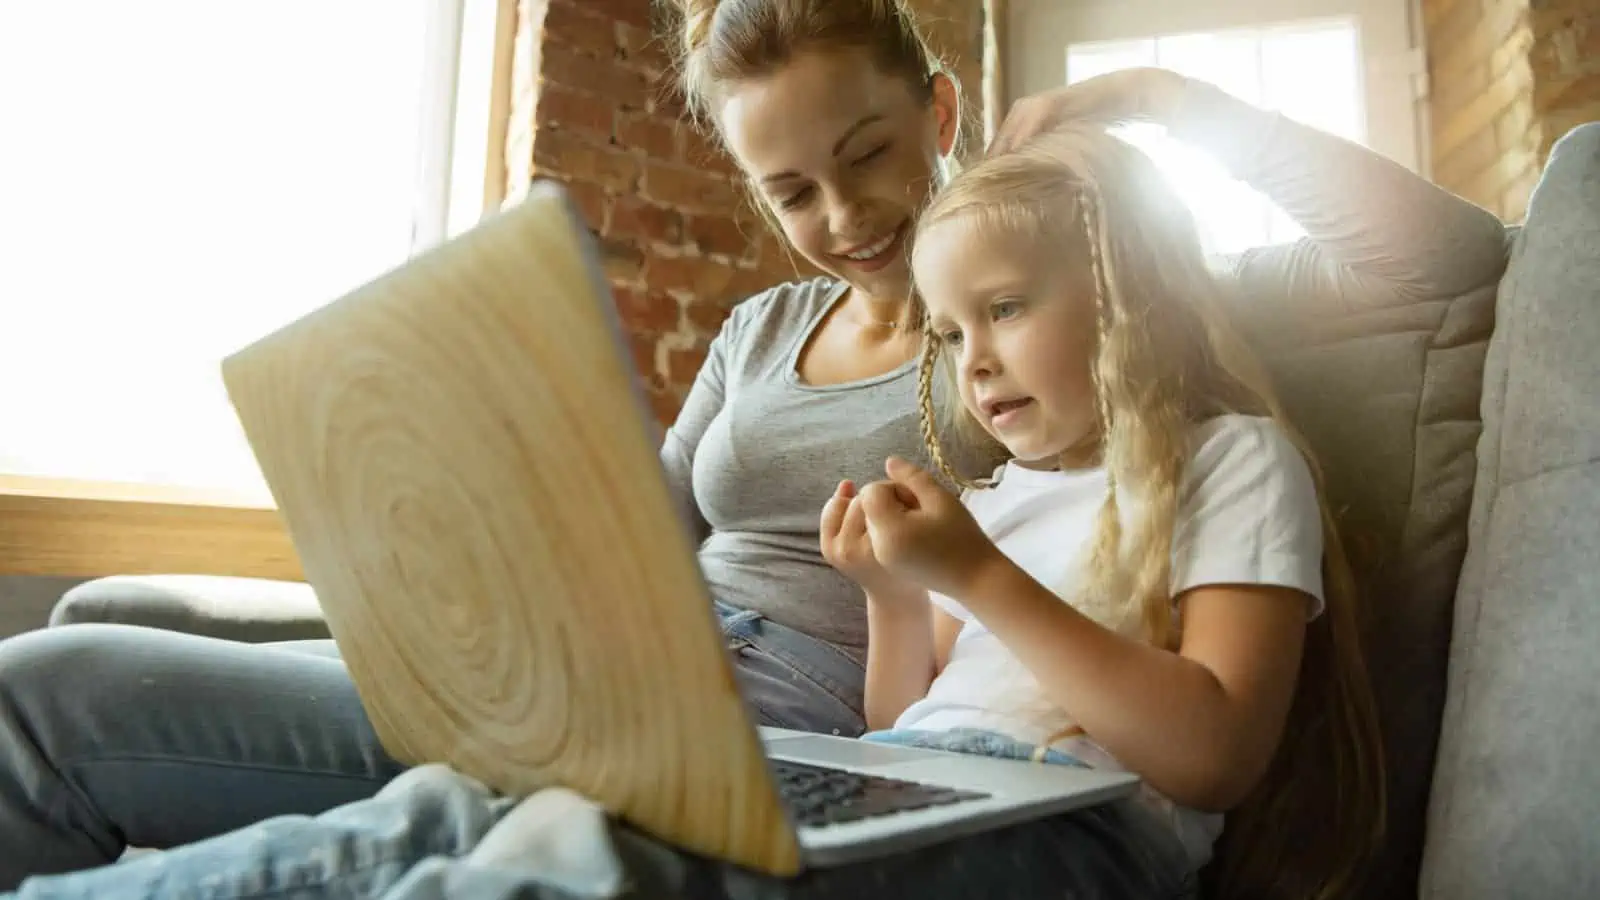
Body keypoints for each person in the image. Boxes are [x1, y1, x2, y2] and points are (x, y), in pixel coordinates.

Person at [0, 0, 988, 888]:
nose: (844, 216)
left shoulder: (1012, 339)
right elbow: (642, 528)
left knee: (64, 715)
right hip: (583, 675)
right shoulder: (763, 327)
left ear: (938, 115)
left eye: (865, 155)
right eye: (792, 192)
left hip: (730, 734)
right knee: (51, 683)